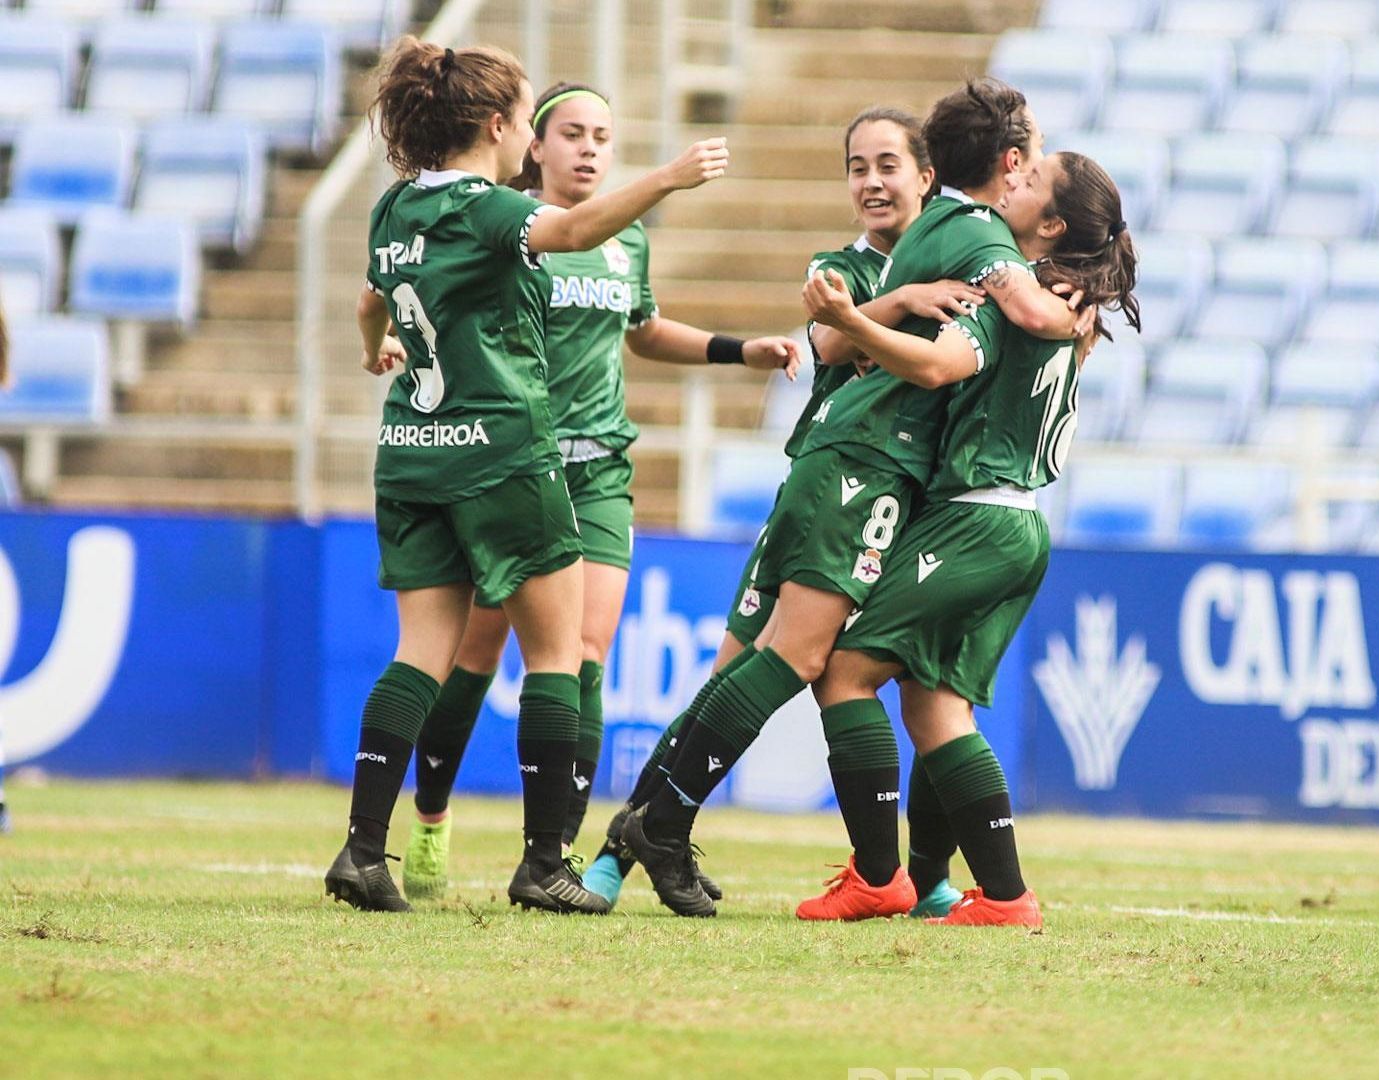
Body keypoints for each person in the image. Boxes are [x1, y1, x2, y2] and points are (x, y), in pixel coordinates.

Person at [614, 77, 1087, 917]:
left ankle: (888, 873)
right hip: (866, 462)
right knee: (804, 662)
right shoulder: (975, 242)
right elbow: (881, 340)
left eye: (886, 164)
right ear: (1006, 163)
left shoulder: (957, 238)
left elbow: (920, 346)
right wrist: (1078, 308)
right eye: (856, 166)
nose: (871, 181)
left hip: (891, 472)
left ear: (928, 173)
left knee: (836, 671)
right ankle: (656, 830)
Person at [324, 36, 727, 915]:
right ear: (500, 127)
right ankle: (545, 863)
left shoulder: (394, 207)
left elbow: (368, 301)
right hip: (503, 454)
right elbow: (573, 230)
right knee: (557, 656)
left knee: (418, 655)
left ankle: (361, 851)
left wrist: (374, 349)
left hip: (413, 451)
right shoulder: (492, 210)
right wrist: (666, 178)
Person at [390, 80, 801, 904]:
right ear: (534, 146)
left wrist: (737, 350)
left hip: (601, 469)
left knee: (585, 654)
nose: (588, 149)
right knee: (475, 654)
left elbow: (643, 330)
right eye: (572, 133)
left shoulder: (625, 238)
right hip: (512, 465)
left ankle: (555, 853)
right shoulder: (509, 228)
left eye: (602, 137)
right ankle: (430, 815)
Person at [798, 150, 1138, 927]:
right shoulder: (1068, 302)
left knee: (844, 674)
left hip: (975, 516)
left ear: (1053, 225)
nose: (1012, 182)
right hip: (1018, 522)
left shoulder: (1017, 296)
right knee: (934, 705)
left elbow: (937, 366)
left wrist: (852, 322)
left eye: (1031, 180)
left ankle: (877, 878)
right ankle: (1004, 897)